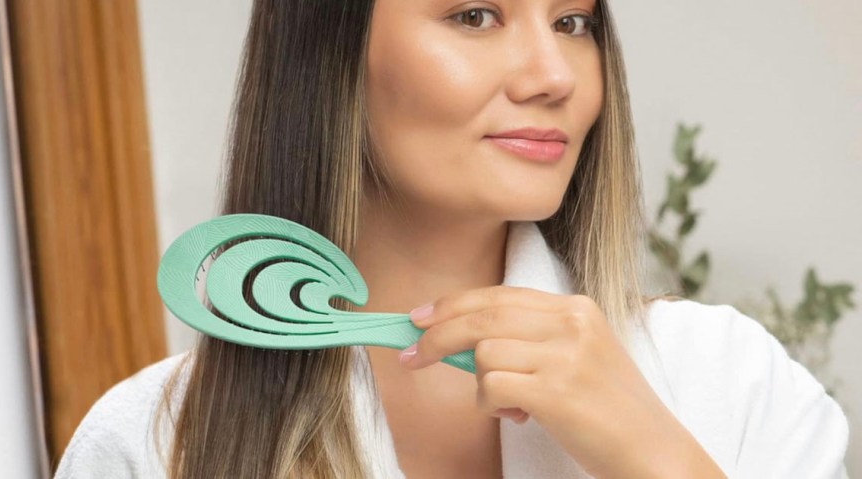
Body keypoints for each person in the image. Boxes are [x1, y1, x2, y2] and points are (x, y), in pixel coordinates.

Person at [55, 0, 850, 477]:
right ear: (327, 49)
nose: (555, 74)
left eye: (573, 20)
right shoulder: (153, 441)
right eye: (475, 14)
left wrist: (655, 457)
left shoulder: (732, 380)